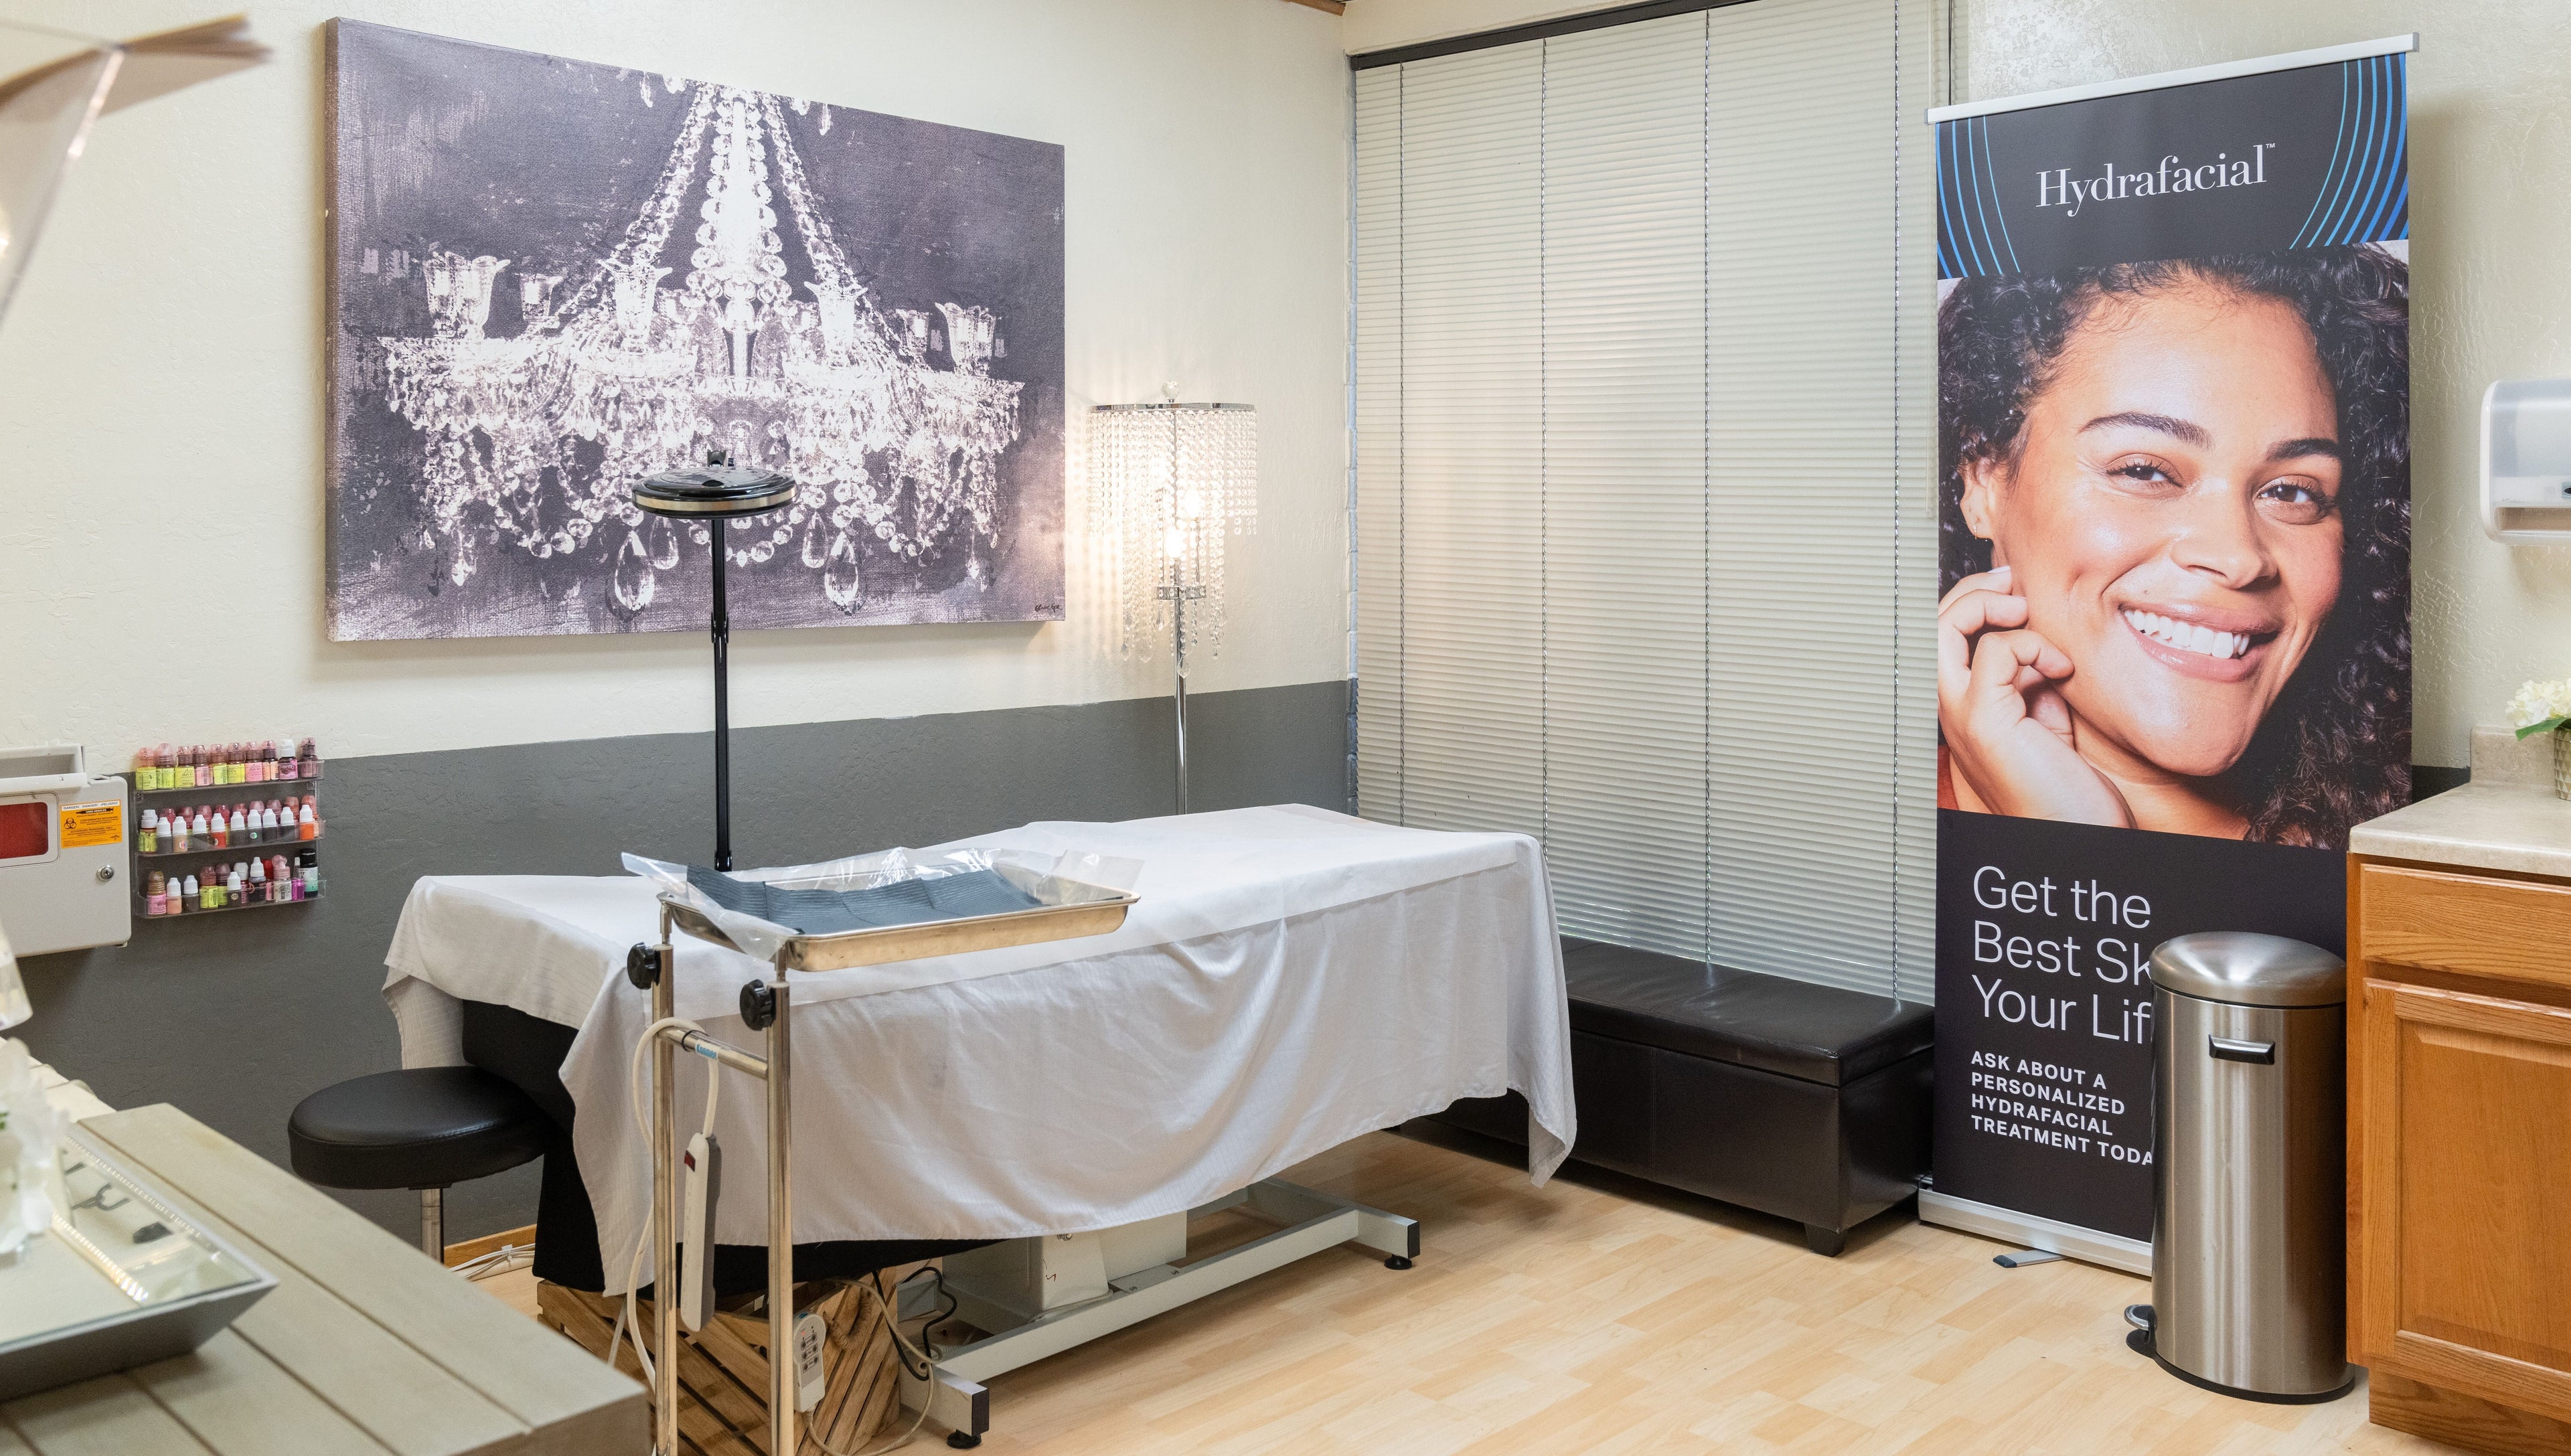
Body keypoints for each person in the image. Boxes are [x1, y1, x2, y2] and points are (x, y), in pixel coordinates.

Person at [1936, 246, 2409, 847]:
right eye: (2145, 471)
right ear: (1983, 481)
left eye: (2291, 490)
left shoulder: (2394, 852)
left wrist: (2088, 850)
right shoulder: (1857, 846)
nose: (2238, 557)